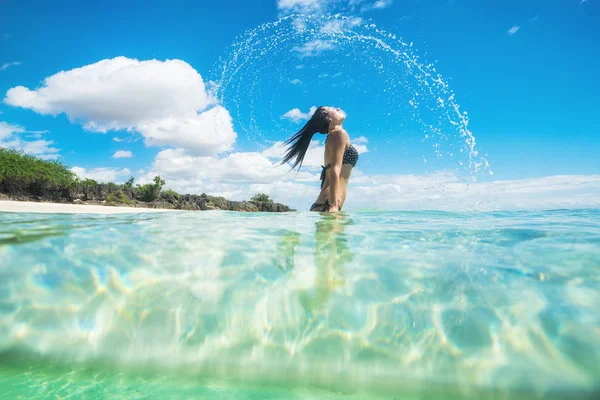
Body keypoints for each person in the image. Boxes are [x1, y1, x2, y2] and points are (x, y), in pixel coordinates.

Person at [281, 106, 359, 212]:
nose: (337, 108)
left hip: (326, 204)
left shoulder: (334, 135)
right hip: (329, 205)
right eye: (330, 109)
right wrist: (334, 206)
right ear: (328, 118)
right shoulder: (338, 134)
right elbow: (335, 170)